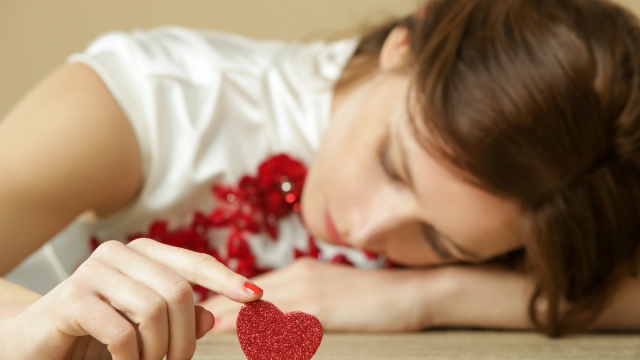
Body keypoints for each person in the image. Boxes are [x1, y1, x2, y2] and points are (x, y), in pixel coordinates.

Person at [2, 0, 640, 357]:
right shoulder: (152, 98)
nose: (365, 229)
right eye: (394, 165)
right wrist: (39, 322)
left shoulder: (561, 191)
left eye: (443, 241)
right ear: (403, 45)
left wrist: (431, 295)